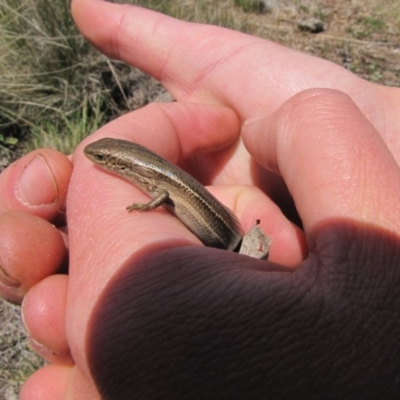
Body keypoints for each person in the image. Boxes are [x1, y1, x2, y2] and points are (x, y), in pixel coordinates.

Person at [1, 1, 400, 398]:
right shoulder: (151, 173)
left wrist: (142, 207)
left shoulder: (153, 183)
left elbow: (160, 194)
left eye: (106, 160)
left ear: (127, 166)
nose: (98, 162)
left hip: (227, 239)